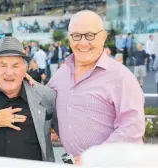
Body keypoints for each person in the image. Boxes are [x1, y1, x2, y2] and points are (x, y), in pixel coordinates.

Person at [46, 10, 145, 165]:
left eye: (90, 35)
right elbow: (45, 103)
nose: (83, 43)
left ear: (103, 37)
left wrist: (96, 157)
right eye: (76, 35)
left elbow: (132, 128)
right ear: (69, 38)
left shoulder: (121, 77)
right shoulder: (59, 76)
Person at [0, 37, 58, 162]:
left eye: (15, 66)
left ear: (25, 69)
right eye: (3, 65)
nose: (9, 73)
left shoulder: (46, 95)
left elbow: (67, 133)